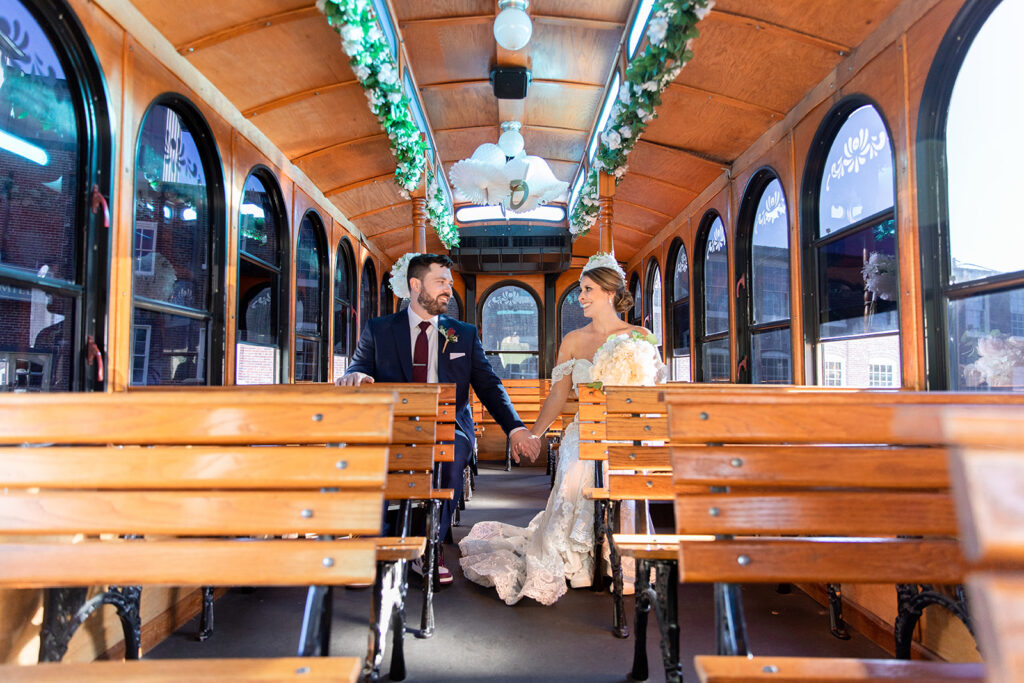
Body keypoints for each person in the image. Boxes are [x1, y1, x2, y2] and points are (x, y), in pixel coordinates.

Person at [459, 253, 652, 605]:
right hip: (584, 431)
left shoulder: (640, 338)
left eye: (588, 289)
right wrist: (534, 433)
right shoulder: (573, 341)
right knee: (577, 465)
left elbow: (651, 394)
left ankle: (619, 559)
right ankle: (577, 561)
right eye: (580, 290)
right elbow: (558, 397)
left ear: (610, 292)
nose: (581, 297)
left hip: (624, 432)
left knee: (621, 468)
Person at [337, 253, 541, 584]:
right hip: (395, 427)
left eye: (449, 282)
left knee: (451, 454)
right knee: (371, 455)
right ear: (415, 285)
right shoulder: (379, 330)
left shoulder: (463, 333)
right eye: (440, 282)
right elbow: (358, 365)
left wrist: (516, 428)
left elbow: (489, 386)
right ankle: (379, 542)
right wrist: (356, 376)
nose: (448, 289)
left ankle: (429, 546)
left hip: (448, 428)